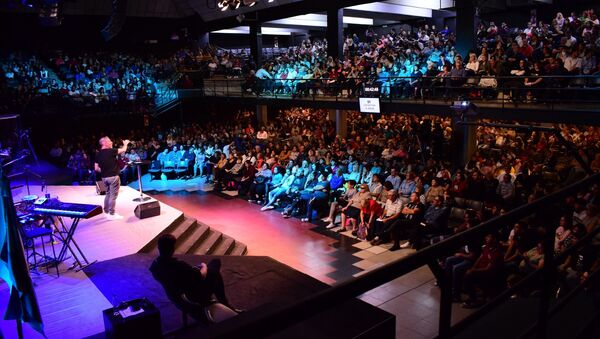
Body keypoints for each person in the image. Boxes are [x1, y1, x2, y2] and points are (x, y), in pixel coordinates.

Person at [149, 234, 239, 322]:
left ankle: (223, 302)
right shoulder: (180, 265)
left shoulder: (154, 266)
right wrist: (204, 266)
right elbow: (201, 276)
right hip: (194, 296)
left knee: (213, 273)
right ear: (172, 249)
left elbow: (174, 277)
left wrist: (191, 272)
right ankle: (224, 303)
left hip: (175, 296)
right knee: (215, 265)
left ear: (159, 248)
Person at [95, 137, 130, 219]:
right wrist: (125, 144)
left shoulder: (98, 154)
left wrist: (105, 171)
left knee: (108, 193)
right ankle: (112, 214)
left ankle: (106, 211)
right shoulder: (111, 151)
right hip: (113, 176)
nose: (111, 142)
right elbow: (123, 150)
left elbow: (96, 168)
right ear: (105, 143)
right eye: (110, 141)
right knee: (113, 196)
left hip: (104, 177)